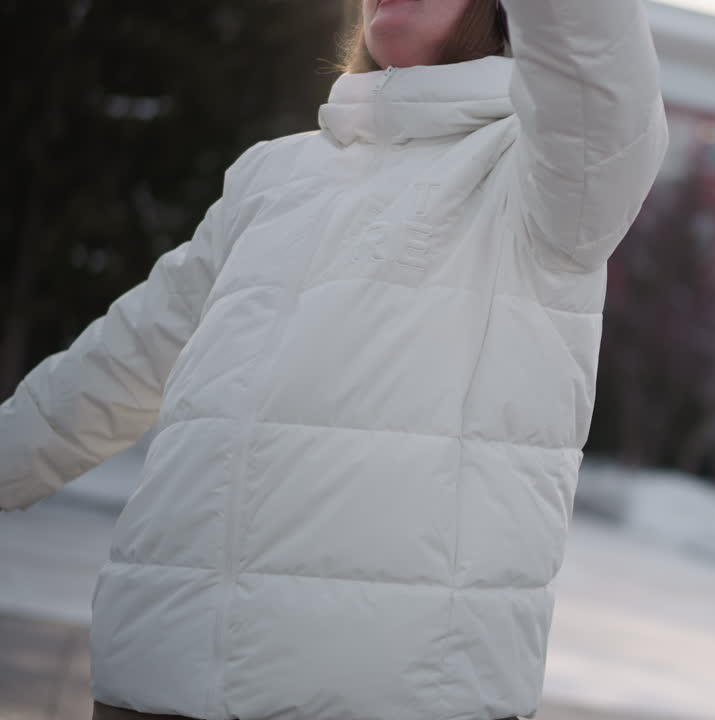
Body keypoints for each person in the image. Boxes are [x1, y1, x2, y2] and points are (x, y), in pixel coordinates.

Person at [0, 0, 668, 718]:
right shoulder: (272, 177)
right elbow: (112, 367)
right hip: (156, 681)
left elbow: (594, 65)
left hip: (390, 696)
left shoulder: (548, 182)